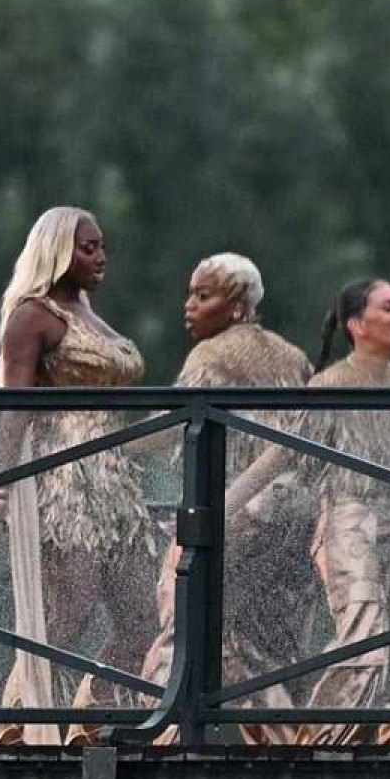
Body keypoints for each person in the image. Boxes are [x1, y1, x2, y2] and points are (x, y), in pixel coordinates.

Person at [0, 207, 153, 745]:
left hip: (116, 484)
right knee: (69, 614)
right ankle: (17, 727)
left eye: (102, 246)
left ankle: (89, 718)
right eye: (88, 248)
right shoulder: (32, 317)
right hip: (64, 483)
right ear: (58, 250)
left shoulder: (87, 311)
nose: (101, 256)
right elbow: (14, 409)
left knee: (142, 619)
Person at [134, 253, 317, 744]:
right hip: (296, 512)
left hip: (237, 510)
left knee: (183, 617)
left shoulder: (211, 356)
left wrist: (105, 441)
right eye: (191, 294)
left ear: (237, 308)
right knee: (262, 644)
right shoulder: (293, 356)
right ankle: (287, 748)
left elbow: (174, 426)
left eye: (203, 295)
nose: (188, 306)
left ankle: (160, 737)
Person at [293, 279, 390, 744]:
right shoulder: (328, 384)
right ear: (357, 324)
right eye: (388, 307)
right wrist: (230, 508)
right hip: (348, 522)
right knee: (365, 637)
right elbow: (290, 462)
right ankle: (319, 745)